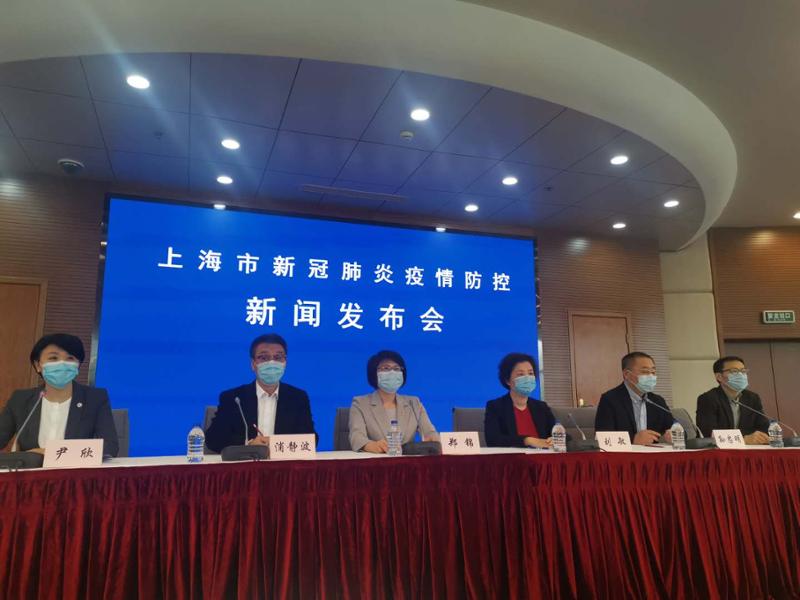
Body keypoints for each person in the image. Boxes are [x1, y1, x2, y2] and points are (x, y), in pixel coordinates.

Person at [0, 333, 119, 457]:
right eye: (53, 358)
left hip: (75, 469)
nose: (62, 363)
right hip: (31, 469)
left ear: (78, 365)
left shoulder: (95, 398)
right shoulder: (20, 399)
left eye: (70, 358)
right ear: (38, 365)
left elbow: (109, 447)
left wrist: (50, 453)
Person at [205, 333, 317, 452]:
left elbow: (311, 441)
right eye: (264, 358)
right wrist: (248, 444)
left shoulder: (297, 398)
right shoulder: (234, 398)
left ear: (285, 363)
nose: (272, 363)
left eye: (278, 357)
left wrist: (274, 443)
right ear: (253, 364)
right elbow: (213, 440)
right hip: (245, 462)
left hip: (283, 463)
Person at [349, 350, 438, 453]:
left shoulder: (414, 403)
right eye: (386, 368)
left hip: (408, 460)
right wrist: (370, 445)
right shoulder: (360, 403)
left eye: (396, 369)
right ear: (374, 373)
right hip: (377, 459)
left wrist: (433, 438)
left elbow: (430, 432)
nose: (392, 372)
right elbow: (356, 437)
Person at [594, 351, 673, 445]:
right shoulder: (610, 399)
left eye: (653, 372)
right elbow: (602, 439)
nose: (651, 376)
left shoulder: (657, 401)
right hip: (624, 453)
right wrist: (632, 440)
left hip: (654, 453)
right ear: (627, 374)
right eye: (645, 372)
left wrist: (675, 434)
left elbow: (678, 429)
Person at [484, 352, 557, 448]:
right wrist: (527, 440)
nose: (527, 378)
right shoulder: (495, 407)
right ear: (507, 380)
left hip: (543, 456)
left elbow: (562, 435)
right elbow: (493, 440)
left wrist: (555, 439)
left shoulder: (541, 407)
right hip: (513, 457)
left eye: (530, 373)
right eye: (520, 374)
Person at [696, 356, 770, 444]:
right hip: (720, 450)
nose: (740, 375)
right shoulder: (708, 399)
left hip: (751, 448)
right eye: (734, 371)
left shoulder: (752, 398)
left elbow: (764, 427)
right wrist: (743, 440)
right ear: (719, 376)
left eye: (743, 371)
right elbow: (709, 433)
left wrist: (760, 437)